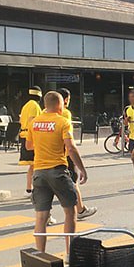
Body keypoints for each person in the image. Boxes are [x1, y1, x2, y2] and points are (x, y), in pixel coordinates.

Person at [27, 91, 87, 253]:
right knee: (70, 212)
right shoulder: (63, 122)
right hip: (58, 172)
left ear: (45, 105)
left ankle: (41, 255)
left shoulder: (34, 122)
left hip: (39, 173)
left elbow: (29, 146)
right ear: (60, 105)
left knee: (41, 217)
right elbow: (71, 148)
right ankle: (69, 254)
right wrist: (82, 169)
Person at [57, 88, 97, 219]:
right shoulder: (65, 113)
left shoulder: (43, 114)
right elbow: (68, 140)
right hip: (65, 154)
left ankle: (45, 215)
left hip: (47, 155)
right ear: (66, 99)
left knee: (50, 185)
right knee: (74, 181)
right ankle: (80, 210)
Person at [18, 86, 43, 199]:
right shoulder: (35, 106)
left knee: (33, 165)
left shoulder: (25, 106)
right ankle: (35, 189)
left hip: (24, 135)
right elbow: (32, 121)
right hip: (32, 136)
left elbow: (20, 120)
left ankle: (29, 189)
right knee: (37, 164)